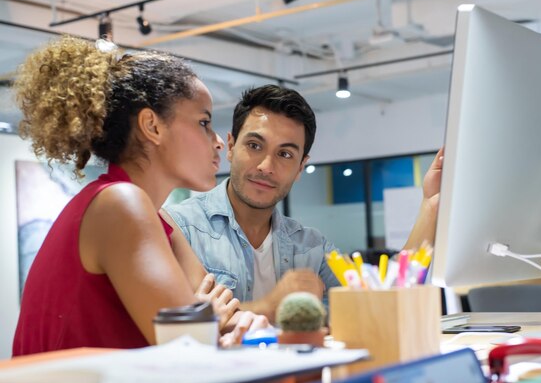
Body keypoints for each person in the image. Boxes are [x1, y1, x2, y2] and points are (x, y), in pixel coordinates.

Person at [12, 36, 266, 356]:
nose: (217, 141)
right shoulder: (120, 203)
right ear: (152, 126)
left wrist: (232, 322)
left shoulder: (154, 220)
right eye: (203, 122)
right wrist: (206, 319)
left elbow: (227, 317)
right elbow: (189, 351)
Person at [163, 84, 443, 320]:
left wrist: (430, 204)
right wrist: (268, 308)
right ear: (232, 146)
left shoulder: (311, 247)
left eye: (285, 154)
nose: (266, 166)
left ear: (300, 167)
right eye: (254, 146)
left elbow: (381, 304)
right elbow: (168, 327)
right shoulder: (179, 228)